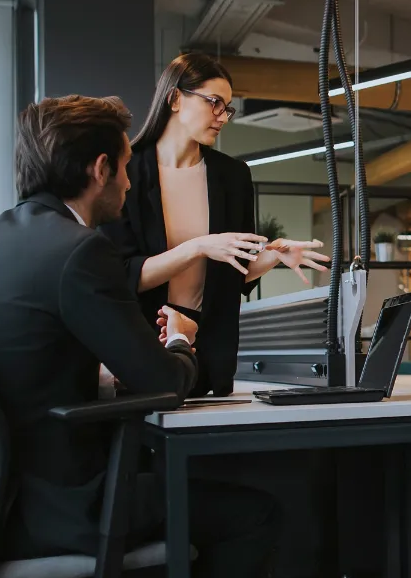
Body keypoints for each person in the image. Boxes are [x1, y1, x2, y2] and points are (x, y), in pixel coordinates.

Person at [0, 94, 281, 578]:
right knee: (250, 516)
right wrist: (180, 340)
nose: (128, 180)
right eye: (123, 166)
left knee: (160, 494)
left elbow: (22, 365)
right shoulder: (78, 251)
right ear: (99, 169)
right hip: (46, 504)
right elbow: (162, 385)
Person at [102, 52, 328, 397]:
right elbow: (124, 275)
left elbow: (230, 275)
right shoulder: (127, 172)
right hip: (143, 346)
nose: (223, 116)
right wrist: (198, 247)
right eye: (214, 103)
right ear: (175, 97)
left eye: (228, 108)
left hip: (210, 348)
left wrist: (272, 255)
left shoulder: (232, 176)